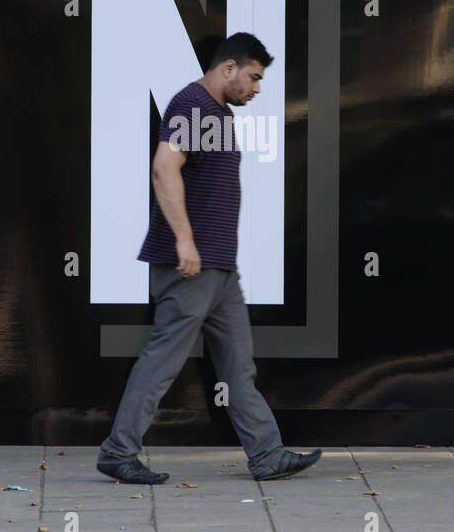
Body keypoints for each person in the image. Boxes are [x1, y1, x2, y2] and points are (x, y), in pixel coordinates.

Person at [96, 32, 322, 485]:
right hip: (191, 268)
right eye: (254, 78)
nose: (257, 89)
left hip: (219, 269)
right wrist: (184, 241)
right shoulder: (193, 105)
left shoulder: (216, 113)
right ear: (228, 68)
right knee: (163, 360)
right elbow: (163, 166)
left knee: (239, 366)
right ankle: (118, 451)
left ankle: (266, 455)